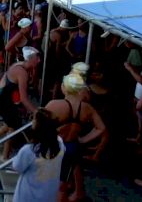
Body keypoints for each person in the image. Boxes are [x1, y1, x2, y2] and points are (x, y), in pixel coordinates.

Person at [45, 73, 106, 202]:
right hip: (72, 146)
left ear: (65, 88)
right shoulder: (87, 108)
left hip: (55, 147)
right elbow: (101, 128)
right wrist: (84, 139)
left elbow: (40, 127)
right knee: (62, 186)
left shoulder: (54, 105)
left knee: (50, 182)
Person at [0, 46, 40, 160]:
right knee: (12, 127)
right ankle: (4, 157)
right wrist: (36, 112)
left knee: (8, 125)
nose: (39, 61)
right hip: (3, 100)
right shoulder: (22, 72)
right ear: (29, 59)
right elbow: (24, 99)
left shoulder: (19, 65)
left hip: (1, 97)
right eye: (37, 58)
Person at [13, 108, 65, 202]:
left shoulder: (29, 150)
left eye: (33, 119)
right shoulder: (60, 144)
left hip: (27, 196)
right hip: (48, 195)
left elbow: (17, 167)